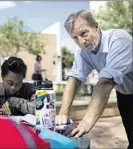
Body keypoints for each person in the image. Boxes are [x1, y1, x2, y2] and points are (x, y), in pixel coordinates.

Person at [56, 10, 133, 149]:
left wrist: (85, 124)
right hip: (126, 94)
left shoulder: (119, 40)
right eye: (75, 38)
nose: (81, 41)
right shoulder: (83, 52)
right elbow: (74, 79)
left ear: (96, 27)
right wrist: (63, 114)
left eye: (84, 33)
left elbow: (105, 83)